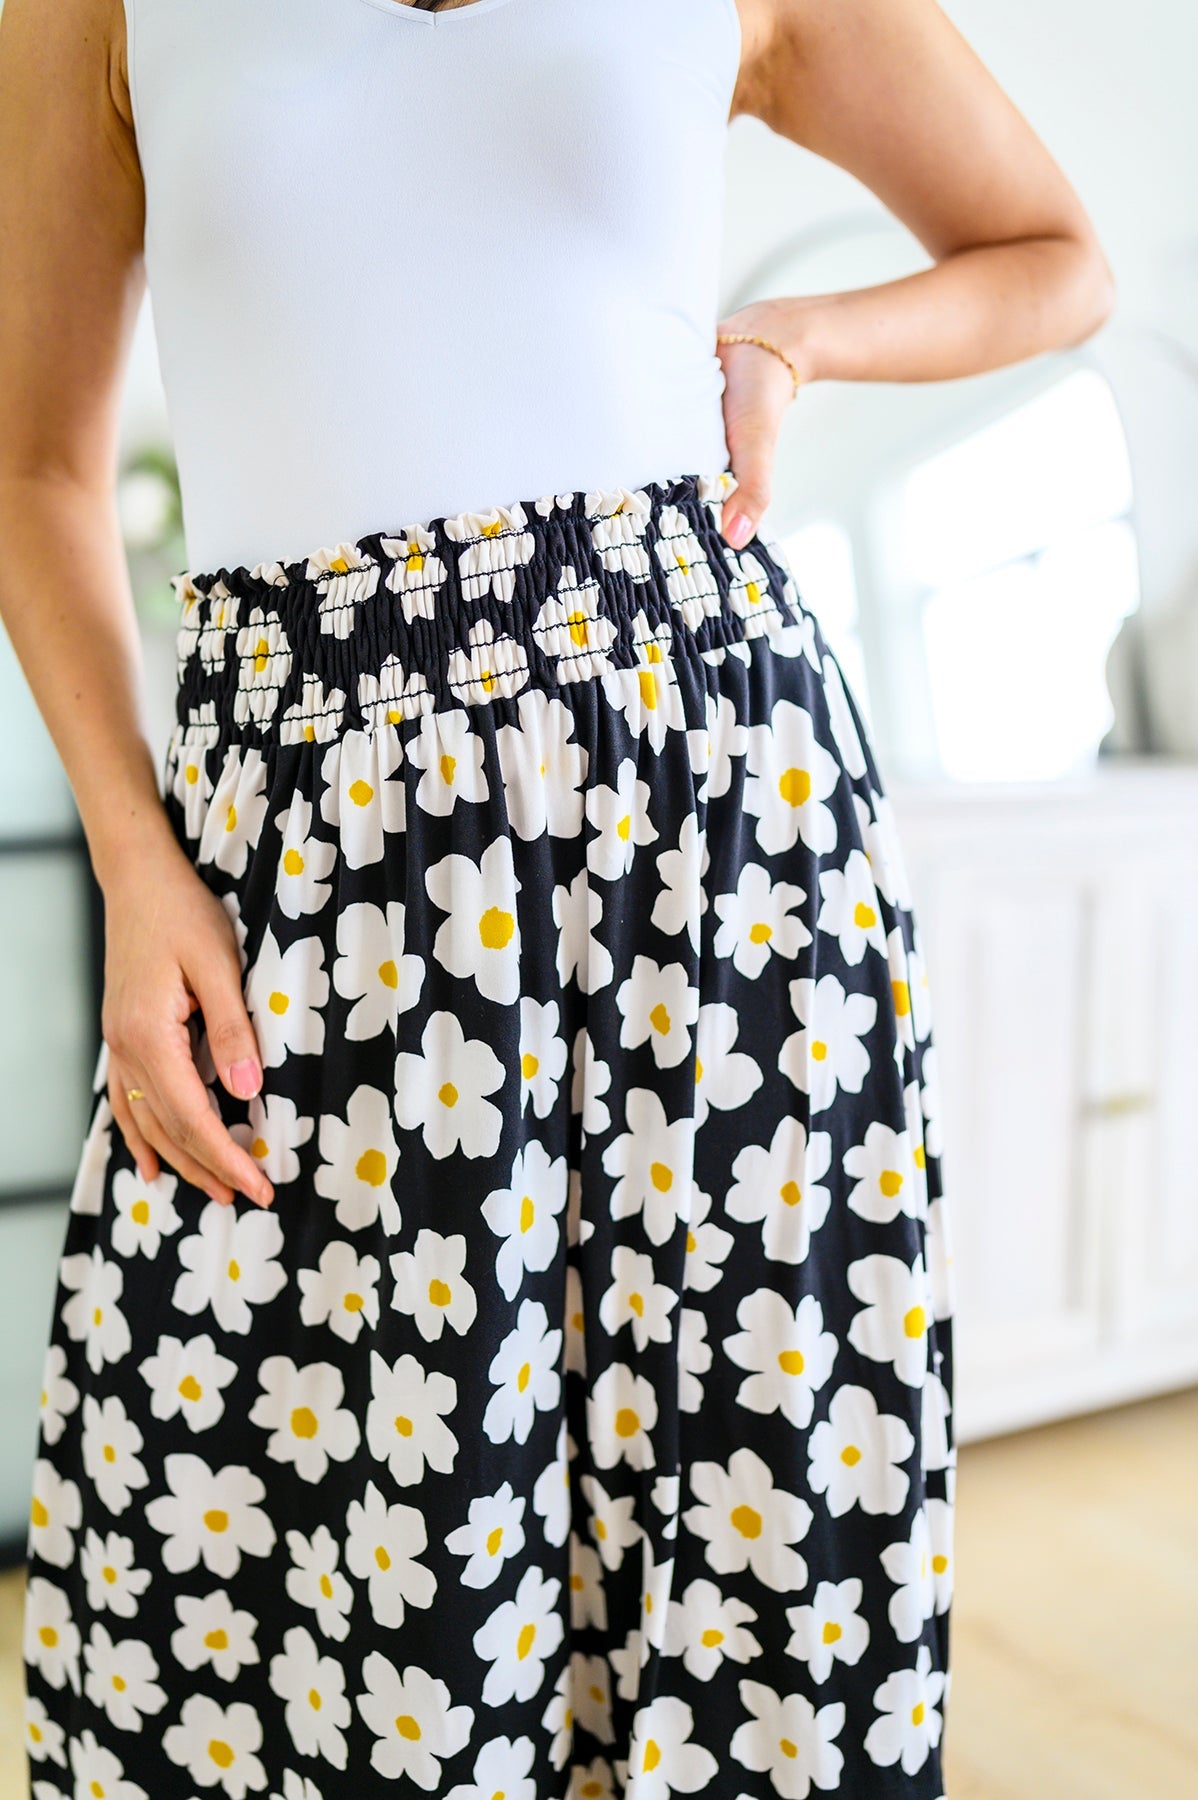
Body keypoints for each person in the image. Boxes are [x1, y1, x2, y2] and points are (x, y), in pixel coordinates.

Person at [2, 1, 1113, 1795]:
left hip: (711, 823)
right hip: (306, 856)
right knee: (305, 1525)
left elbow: (1054, 257)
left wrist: (796, 341)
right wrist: (137, 860)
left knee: (743, 1491)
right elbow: (36, 465)